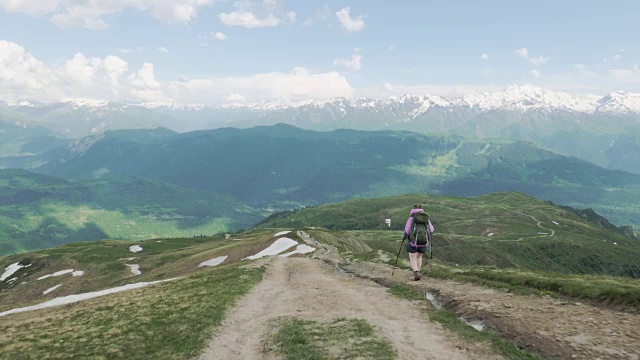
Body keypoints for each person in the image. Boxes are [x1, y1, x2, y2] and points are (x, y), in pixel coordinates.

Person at [403, 204, 434, 281]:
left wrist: (404, 237)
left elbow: (407, 230)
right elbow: (432, 230)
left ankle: (416, 273)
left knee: (412, 257)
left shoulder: (411, 218)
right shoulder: (426, 218)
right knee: (419, 257)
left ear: (413, 209)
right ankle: (418, 271)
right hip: (423, 242)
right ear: (422, 209)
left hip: (413, 242)